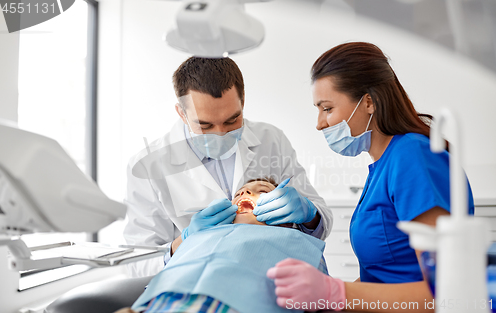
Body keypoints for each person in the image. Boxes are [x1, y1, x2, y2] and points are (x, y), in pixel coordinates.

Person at [266, 42, 475, 312]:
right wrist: (331, 300)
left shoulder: (413, 156)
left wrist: (337, 293)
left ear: (368, 102)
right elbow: (383, 276)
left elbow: (447, 291)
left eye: (327, 108)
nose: (319, 123)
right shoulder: (383, 165)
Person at [123, 57, 333, 277]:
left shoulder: (271, 139)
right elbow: (136, 264)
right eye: (205, 125)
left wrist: (309, 216)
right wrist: (184, 242)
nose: (221, 133)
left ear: (243, 102)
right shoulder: (148, 166)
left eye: (232, 120)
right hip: (193, 280)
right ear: (182, 113)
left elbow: (321, 222)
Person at [115, 178, 328, 313]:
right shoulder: (197, 236)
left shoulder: (300, 243)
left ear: (287, 217)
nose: (244, 193)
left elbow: (321, 298)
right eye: (239, 193)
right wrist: (185, 238)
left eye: (261, 190)